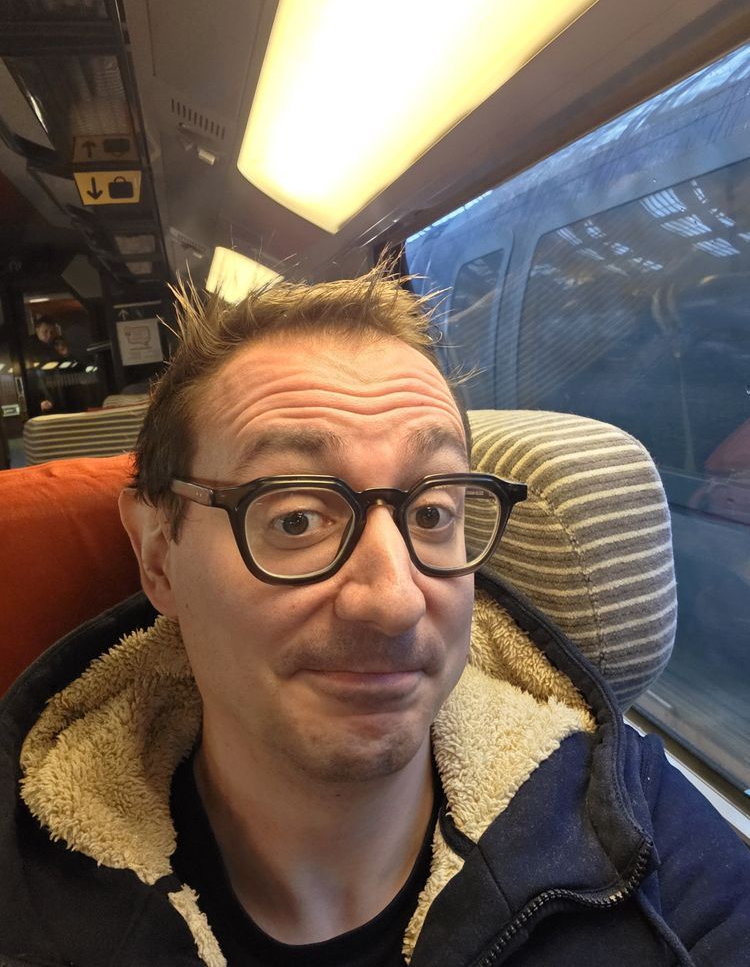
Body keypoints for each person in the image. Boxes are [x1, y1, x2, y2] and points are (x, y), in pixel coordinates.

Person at [1, 267, 749, 967]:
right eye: (296, 519)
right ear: (159, 555)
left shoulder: (636, 831)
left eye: (431, 513)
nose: (396, 602)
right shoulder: (25, 889)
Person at [24, 314, 59, 413]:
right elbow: (36, 376)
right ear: (37, 330)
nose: (49, 335)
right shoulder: (29, 347)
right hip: (40, 398)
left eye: (52, 332)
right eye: (45, 331)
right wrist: (41, 400)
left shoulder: (56, 344)